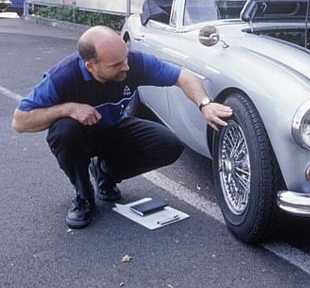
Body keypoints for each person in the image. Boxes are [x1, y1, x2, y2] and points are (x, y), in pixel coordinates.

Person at [12, 25, 233, 229]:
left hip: (115, 129)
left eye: (125, 57)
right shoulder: (63, 77)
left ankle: (105, 172)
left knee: (169, 144)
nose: (125, 67)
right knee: (64, 131)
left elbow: (183, 77)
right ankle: (83, 196)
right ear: (91, 66)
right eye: (116, 65)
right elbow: (20, 121)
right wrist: (68, 109)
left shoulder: (133, 63)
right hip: (81, 136)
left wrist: (204, 104)